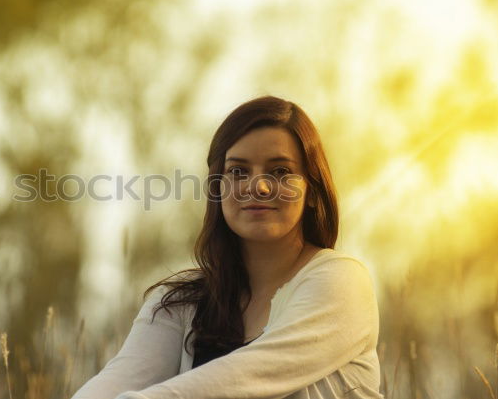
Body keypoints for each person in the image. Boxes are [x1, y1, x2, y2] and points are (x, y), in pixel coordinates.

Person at [72, 96, 383, 398]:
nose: (258, 186)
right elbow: (119, 379)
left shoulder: (342, 281)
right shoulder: (179, 302)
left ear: (313, 191)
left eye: (280, 172)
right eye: (238, 171)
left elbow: (255, 373)